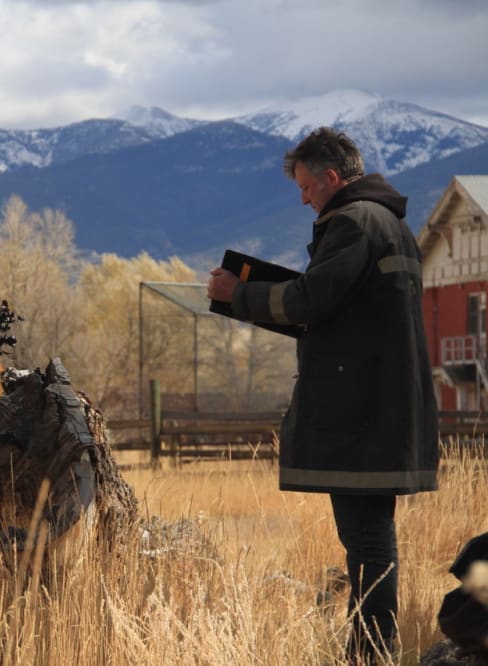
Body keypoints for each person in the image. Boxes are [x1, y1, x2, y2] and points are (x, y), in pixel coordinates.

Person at [207, 127, 439, 663]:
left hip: (362, 414)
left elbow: (313, 299)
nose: (303, 197)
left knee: (367, 540)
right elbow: (341, 310)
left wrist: (237, 294)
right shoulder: (388, 223)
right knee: (369, 537)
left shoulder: (354, 222)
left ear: (332, 178)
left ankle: (370, 653)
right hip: (383, 408)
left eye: (307, 186)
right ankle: (369, 648)